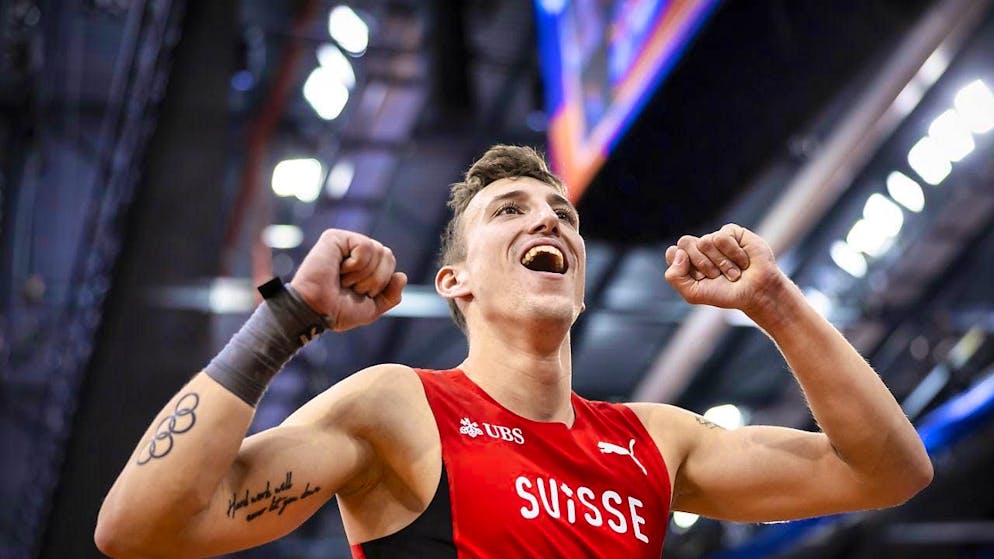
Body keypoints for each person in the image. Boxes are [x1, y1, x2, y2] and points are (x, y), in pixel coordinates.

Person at [95, 145, 932, 558]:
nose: (547, 221)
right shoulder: (398, 407)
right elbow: (137, 531)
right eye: (510, 211)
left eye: (563, 215)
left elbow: (889, 471)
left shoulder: (655, 439)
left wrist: (775, 302)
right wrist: (288, 320)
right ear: (454, 281)